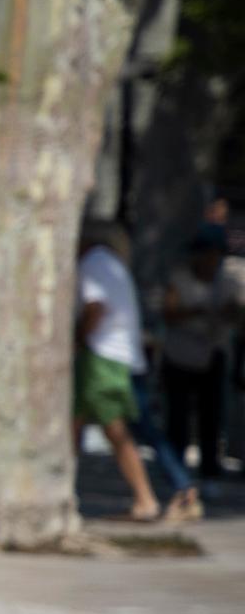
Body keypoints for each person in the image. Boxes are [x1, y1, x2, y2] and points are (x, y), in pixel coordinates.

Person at [78, 221, 198, 523]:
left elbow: (96, 308)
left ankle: (154, 497)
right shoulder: (113, 264)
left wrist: (75, 341)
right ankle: (181, 487)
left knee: (116, 428)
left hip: (105, 358)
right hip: (128, 357)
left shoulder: (93, 263)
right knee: (138, 427)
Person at [160, 225, 239, 485]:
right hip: (179, 355)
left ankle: (209, 473)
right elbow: (169, 313)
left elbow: (236, 315)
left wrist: (228, 312)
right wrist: (196, 312)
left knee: (211, 418)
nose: (209, 260)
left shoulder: (227, 283)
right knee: (178, 419)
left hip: (212, 355)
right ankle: (175, 472)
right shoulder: (180, 277)